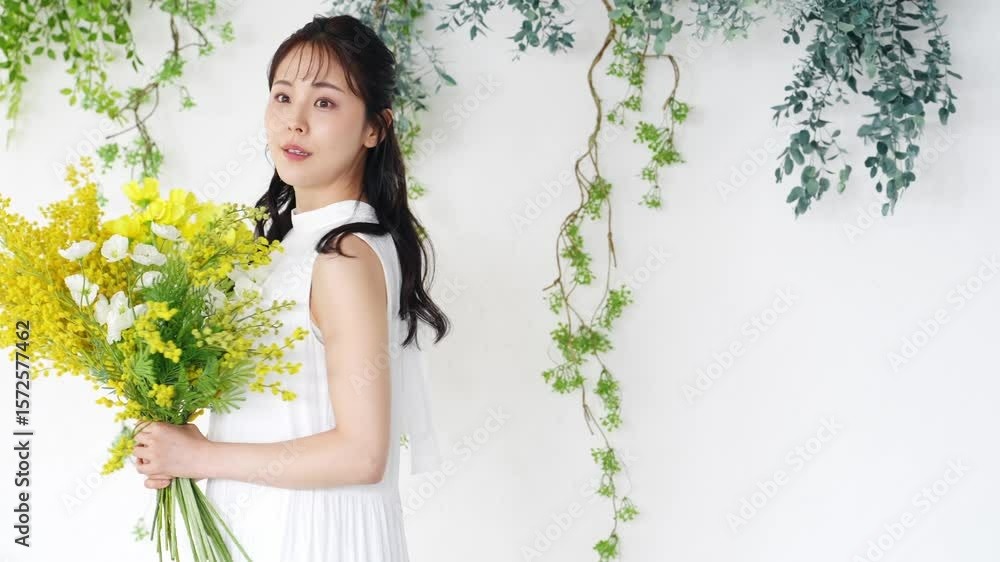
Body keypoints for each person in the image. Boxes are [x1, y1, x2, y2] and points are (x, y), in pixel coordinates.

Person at [131, 14, 450, 561]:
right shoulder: (288, 248)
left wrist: (199, 457)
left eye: (324, 102)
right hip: (263, 528)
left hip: (317, 538)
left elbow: (361, 454)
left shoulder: (344, 255)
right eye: (283, 97)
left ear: (375, 128)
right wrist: (171, 433)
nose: (294, 122)